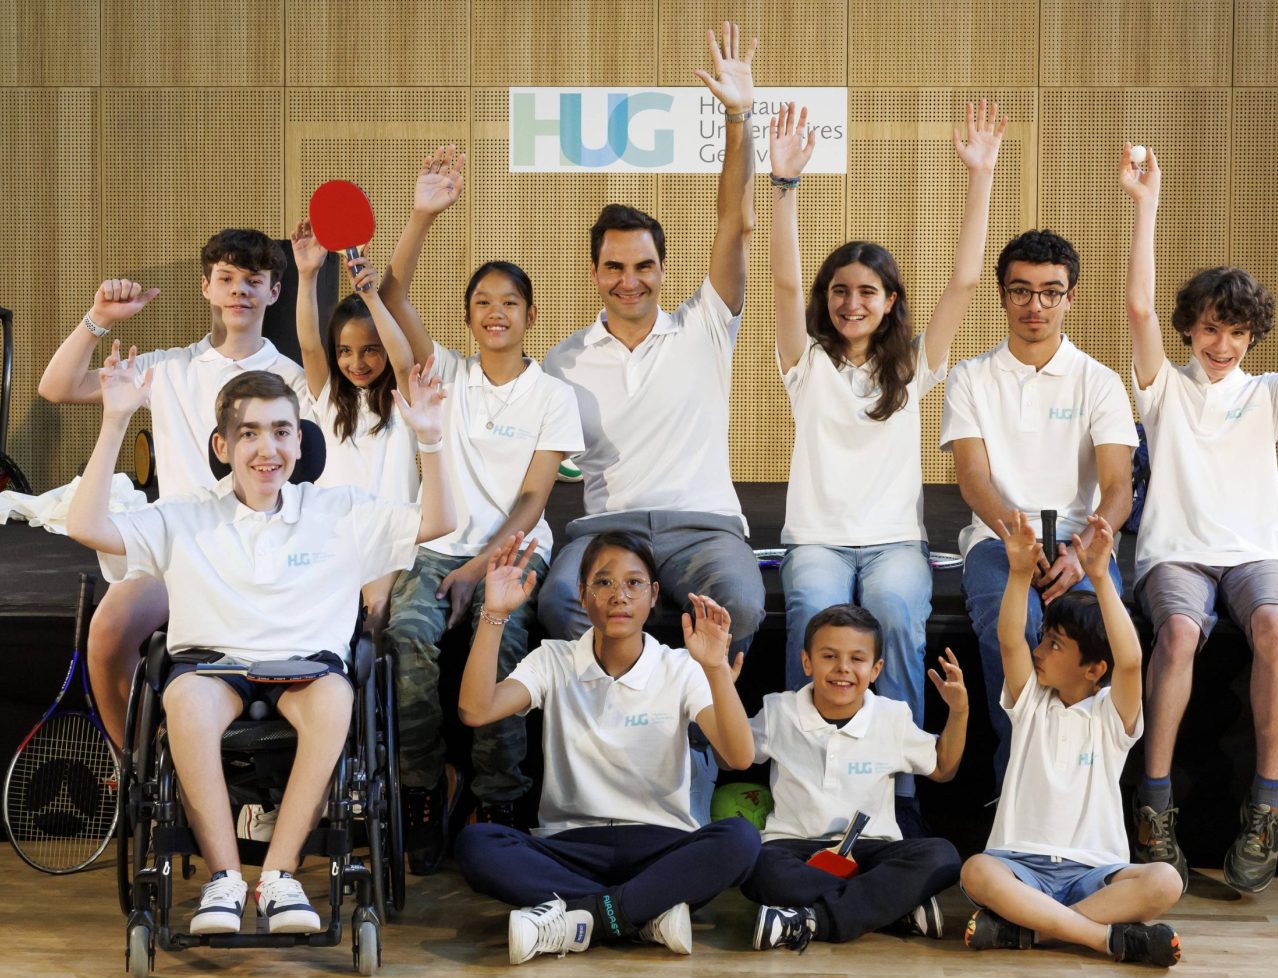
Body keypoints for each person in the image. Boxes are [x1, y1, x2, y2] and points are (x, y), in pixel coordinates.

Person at [65, 365, 453, 936]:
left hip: (308, 668)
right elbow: (86, 525)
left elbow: (442, 520)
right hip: (214, 667)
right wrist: (117, 416)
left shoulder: (338, 511)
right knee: (187, 703)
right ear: (222, 445)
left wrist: (431, 439)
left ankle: (277, 876)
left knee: (334, 699)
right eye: (249, 433)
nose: (266, 447)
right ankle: (224, 880)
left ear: (300, 440)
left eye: (280, 431)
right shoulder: (186, 513)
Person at [1120, 145, 1278, 893]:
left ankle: (1267, 804)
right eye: (1208, 328)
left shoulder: (1267, 394)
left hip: (1252, 553)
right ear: (1189, 330)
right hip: (1176, 552)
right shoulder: (1162, 390)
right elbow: (1137, 306)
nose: (1222, 344)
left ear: (1252, 336)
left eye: (1235, 332)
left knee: (1273, 623)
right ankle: (1155, 801)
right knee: (1175, 630)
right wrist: (1146, 205)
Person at [536, 25, 767, 823]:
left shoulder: (706, 323)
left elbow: (733, 225)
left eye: (643, 265)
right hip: (610, 528)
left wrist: (739, 120)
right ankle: (598, 766)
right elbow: (534, 461)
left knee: (741, 596)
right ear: (595, 271)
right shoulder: (563, 361)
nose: (629, 279)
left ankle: (701, 759)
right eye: (613, 266)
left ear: (663, 269)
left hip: (706, 528)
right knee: (561, 604)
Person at [768, 99, 1003, 833]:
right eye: (839, 290)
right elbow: (780, 283)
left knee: (900, 615)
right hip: (817, 539)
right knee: (812, 614)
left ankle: (893, 790)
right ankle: (800, 776)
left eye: (867, 290)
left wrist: (982, 176)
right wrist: (784, 188)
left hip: (894, 541)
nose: (851, 301)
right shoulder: (803, 363)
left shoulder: (914, 366)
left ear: (890, 300)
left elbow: (966, 280)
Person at [371, 147, 584, 869]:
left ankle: (499, 796)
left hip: (515, 550)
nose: (496, 313)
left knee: (508, 646)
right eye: (483, 303)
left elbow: (532, 498)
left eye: (510, 302)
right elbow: (394, 293)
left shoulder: (553, 394)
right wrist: (423, 212)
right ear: (467, 317)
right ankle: (420, 790)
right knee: (408, 633)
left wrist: (478, 569)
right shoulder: (448, 374)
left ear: (530, 315)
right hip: (435, 545)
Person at [37, 230, 311, 747]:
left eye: (253, 281)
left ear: (274, 292)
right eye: (226, 279)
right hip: (175, 553)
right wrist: (98, 321)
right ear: (205, 286)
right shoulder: (168, 368)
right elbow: (56, 387)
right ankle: (132, 761)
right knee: (109, 629)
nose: (239, 292)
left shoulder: (293, 380)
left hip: (261, 553)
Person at [455, 531, 761, 965]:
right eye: (603, 582)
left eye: (634, 583)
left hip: (660, 846)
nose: (619, 595)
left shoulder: (681, 667)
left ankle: (581, 920)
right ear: (581, 595)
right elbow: (476, 709)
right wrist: (494, 613)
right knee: (477, 845)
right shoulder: (553, 659)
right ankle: (643, 914)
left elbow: (739, 757)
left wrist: (713, 668)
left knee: (739, 839)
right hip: (572, 846)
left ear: (654, 595)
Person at [941, 229, 1139, 785]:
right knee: (1019, 626)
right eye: (1021, 291)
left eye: (1051, 292)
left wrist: (1082, 553)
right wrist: (1019, 542)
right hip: (997, 542)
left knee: (1091, 634)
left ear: (1070, 297)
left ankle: (1085, 787)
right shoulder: (970, 377)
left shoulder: (1098, 381)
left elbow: (1118, 486)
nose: (1036, 305)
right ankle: (1017, 782)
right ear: (1002, 295)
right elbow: (973, 479)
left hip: (1081, 547)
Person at [958, 511, 1183, 967]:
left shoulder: (1110, 717)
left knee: (1165, 881)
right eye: (1043, 638)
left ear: (1094, 669)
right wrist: (1019, 575)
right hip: (1020, 866)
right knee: (976, 871)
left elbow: (1131, 662)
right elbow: (1009, 644)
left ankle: (1030, 931)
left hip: (1095, 872)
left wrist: (1100, 578)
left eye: (1055, 644)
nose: (1038, 650)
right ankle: (1104, 940)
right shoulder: (1032, 701)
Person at [743, 604, 969, 950]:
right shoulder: (779, 711)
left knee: (943, 857)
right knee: (756, 867)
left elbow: (942, 769)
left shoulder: (892, 716)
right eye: (829, 656)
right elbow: (735, 756)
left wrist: (959, 711)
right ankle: (891, 907)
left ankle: (807, 920)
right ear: (807, 662)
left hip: (871, 850)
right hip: (794, 847)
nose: (843, 669)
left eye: (857, 659)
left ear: (876, 669)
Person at [290, 218, 420, 639]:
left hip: (393, 539)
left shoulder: (405, 398)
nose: (357, 362)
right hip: (333, 537)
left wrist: (370, 294)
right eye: (345, 351)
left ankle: (370, 700)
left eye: (369, 351)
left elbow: (402, 360)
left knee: (376, 610)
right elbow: (309, 343)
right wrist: (307, 275)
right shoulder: (329, 397)